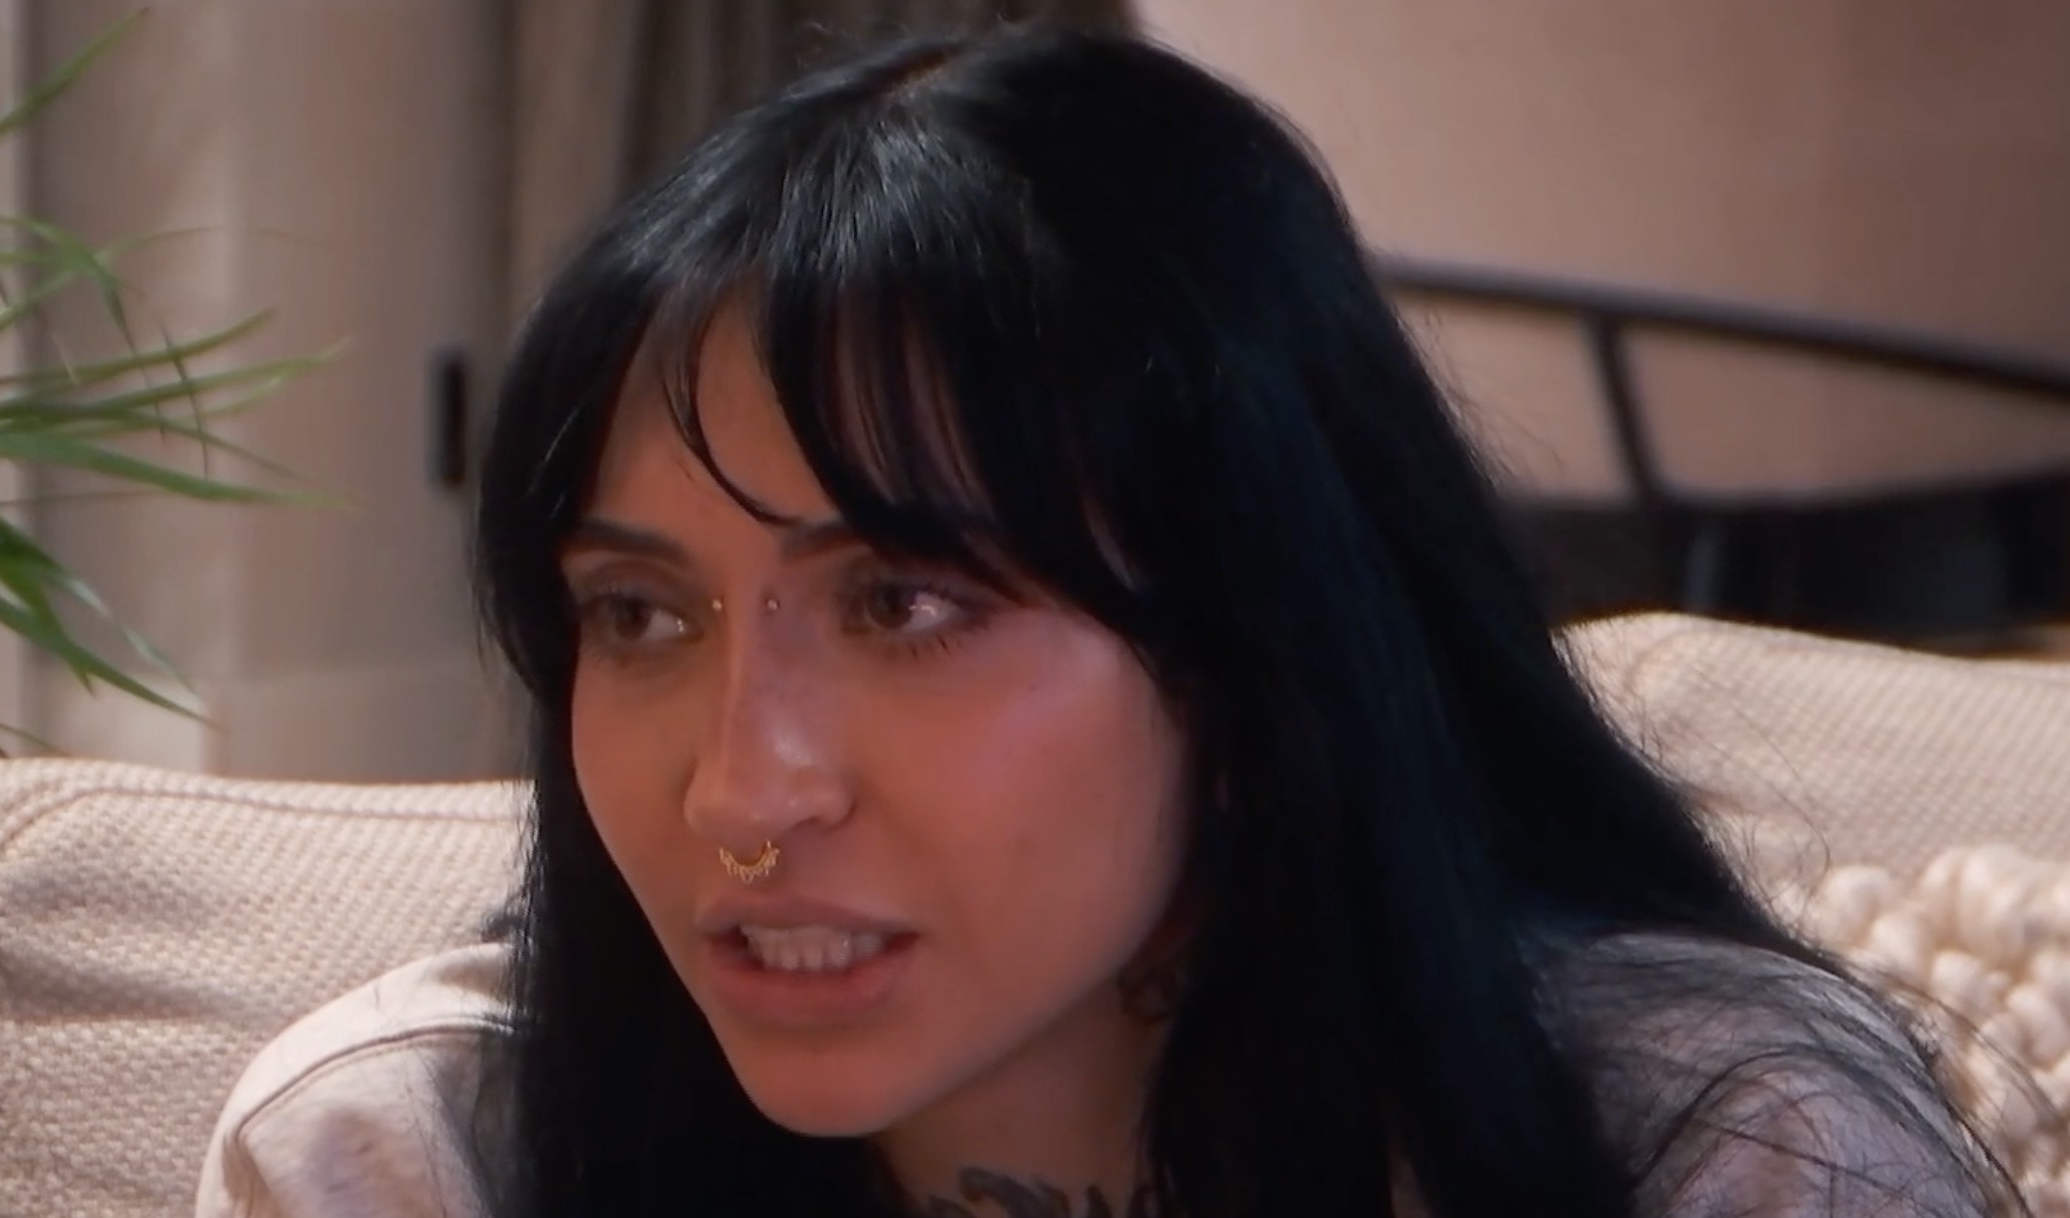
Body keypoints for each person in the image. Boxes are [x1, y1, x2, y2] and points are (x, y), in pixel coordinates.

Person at [195, 22, 2020, 1218]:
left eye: (903, 599)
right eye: (641, 614)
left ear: (1247, 652)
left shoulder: (1717, 1150)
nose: (740, 793)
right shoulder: (405, 1158)